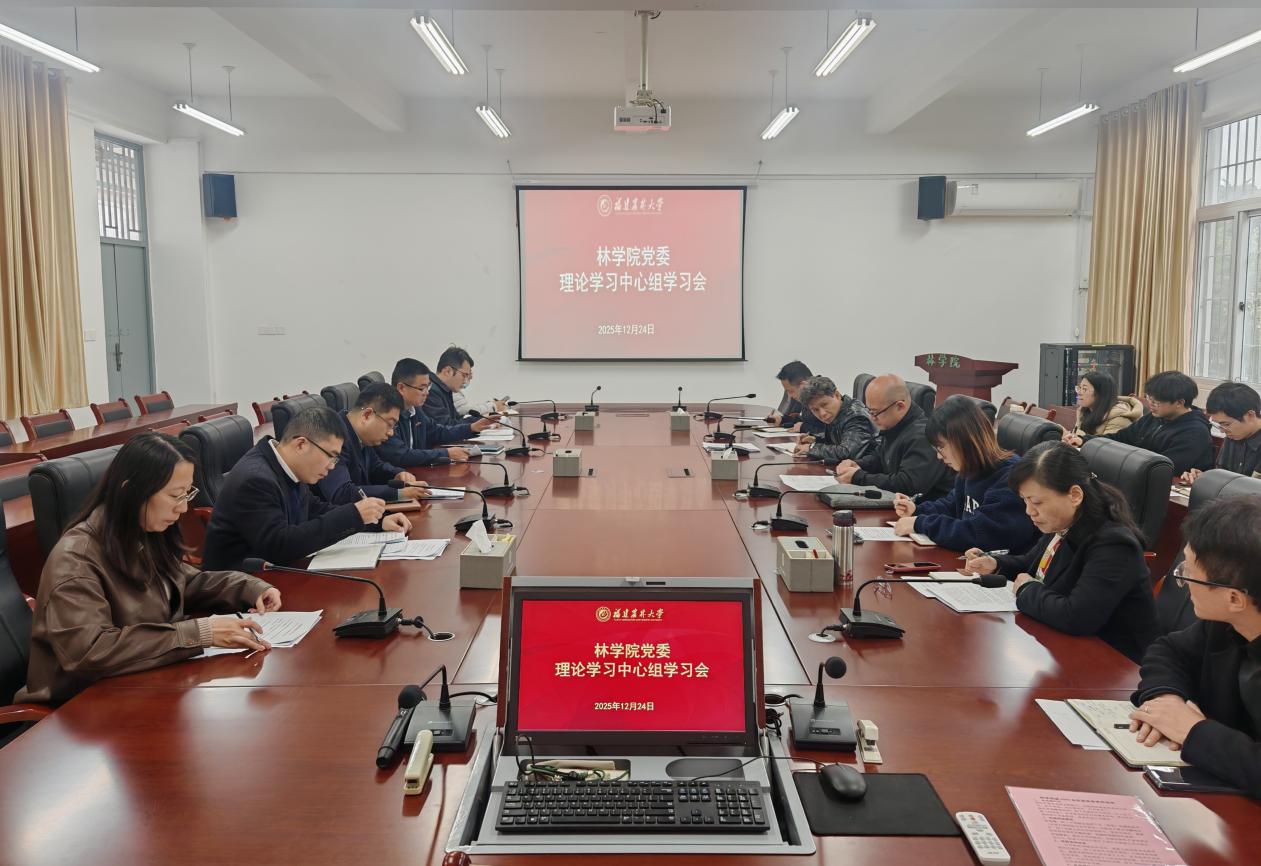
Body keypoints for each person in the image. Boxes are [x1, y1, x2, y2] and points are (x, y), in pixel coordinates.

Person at [18, 433, 281, 704]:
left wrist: (250, 587)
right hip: (80, 707)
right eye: (175, 496)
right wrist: (199, 633)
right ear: (130, 490)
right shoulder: (75, 559)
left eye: (187, 493)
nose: (184, 508)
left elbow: (185, 583)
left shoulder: (141, 532)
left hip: (139, 686)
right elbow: (89, 652)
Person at [965, 441, 1158, 663]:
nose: (1029, 511)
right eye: (1025, 500)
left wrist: (1026, 590)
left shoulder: (1114, 544)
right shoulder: (1065, 522)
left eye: (1036, 502)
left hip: (1114, 664)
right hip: (1062, 647)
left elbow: (1077, 617)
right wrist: (995, 564)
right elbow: (1033, 564)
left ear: (1074, 495)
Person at [1129, 496, 1261, 798]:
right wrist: (1168, 700)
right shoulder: (1227, 623)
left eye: (1188, 571)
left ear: (1234, 598)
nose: (1182, 579)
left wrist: (1192, 731)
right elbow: (1168, 651)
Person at [203, 406, 411, 571]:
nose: (332, 466)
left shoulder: (286, 465)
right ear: (301, 444)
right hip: (243, 590)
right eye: (330, 456)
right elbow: (279, 546)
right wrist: (353, 515)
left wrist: (376, 521)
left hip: (279, 579)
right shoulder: (256, 479)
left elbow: (315, 508)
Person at [892, 395, 1038, 553]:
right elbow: (952, 505)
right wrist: (917, 510)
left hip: (1001, 565)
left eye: (941, 447)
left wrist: (920, 523)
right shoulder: (970, 470)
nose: (939, 456)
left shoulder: (1008, 478)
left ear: (963, 441)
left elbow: (980, 534)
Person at [834, 374, 954, 499]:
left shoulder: (923, 436)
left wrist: (858, 477)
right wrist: (858, 465)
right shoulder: (895, 425)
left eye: (875, 413)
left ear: (899, 407)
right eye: (869, 411)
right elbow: (880, 457)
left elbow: (907, 485)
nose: (872, 418)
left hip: (925, 507)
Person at [1073, 371, 1213, 476]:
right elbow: (1120, 438)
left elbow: (1163, 467)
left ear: (1179, 402)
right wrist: (1084, 440)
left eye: (1156, 402)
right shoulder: (1154, 417)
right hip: (1138, 475)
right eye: (1149, 398)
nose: (1150, 404)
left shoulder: (1195, 432)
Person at [316, 384, 430, 505]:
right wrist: (398, 493)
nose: (391, 432)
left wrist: (397, 474)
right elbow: (341, 493)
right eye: (390, 424)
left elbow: (375, 467)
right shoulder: (334, 437)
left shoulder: (360, 434)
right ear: (367, 415)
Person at [378, 358, 498, 467]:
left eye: (428, 387)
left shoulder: (415, 410)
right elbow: (402, 455)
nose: (426, 393)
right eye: (422, 388)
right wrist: (446, 453)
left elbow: (438, 431)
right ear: (401, 388)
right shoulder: (386, 416)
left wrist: (471, 428)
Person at [1183, 382, 1261, 484]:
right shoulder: (1233, 436)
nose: (1222, 431)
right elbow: (1223, 476)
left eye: (1226, 424)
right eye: (1219, 425)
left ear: (1250, 415)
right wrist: (1205, 477)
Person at [791, 376, 876, 464]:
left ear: (837, 395)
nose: (822, 413)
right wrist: (816, 440)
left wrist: (811, 448)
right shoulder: (837, 412)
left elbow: (847, 452)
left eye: (824, 404)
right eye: (815, 410)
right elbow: (839, 440)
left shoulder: (856, 417)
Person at [1061, 371, 1142, 440]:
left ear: (1101, 393)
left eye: (1084, 389)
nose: (1079, 392)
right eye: (1079, 388)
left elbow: (1106, 448)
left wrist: (1077, 438)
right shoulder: (1084, 411)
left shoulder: (1120, 419)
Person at [424, 346, 478, 425]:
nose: (465, 381)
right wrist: (477, 422)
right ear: (448, 371)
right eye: (464, 375)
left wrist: (480, 420)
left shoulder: (445, 391)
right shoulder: (431, 391)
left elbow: (456, 419)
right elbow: (447, 426)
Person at [765, 361, 813, 430]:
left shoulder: (821, 397)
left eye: (791, 391)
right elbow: (806, 421)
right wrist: (781, 419)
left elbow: (825, 431)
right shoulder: (808, 398)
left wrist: (804, 427)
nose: (789, 396)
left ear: (803, 385)